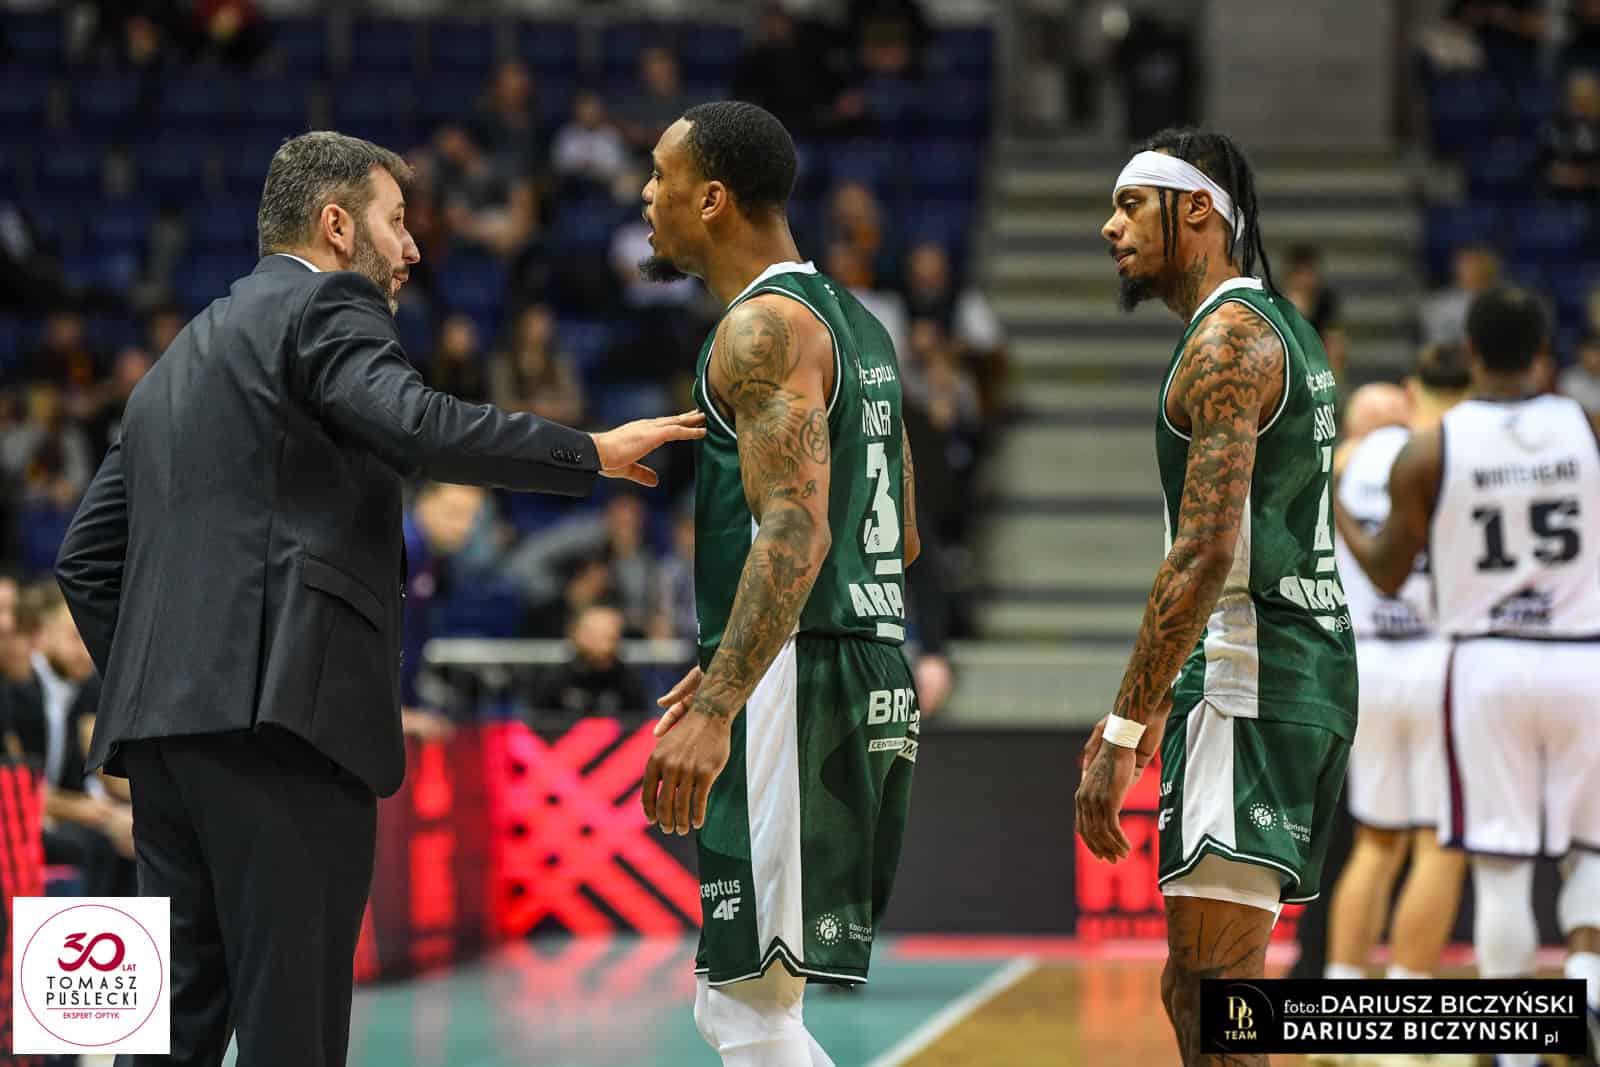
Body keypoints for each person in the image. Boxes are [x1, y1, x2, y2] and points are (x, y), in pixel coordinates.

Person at [53, 130, 704, 1067]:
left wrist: (161, 684)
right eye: (396, 221)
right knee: (294, 1034)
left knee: (163, 1036)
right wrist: (588, 451)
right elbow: (415, 424)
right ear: (335, 225)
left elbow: (84, 558)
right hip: (282, 728)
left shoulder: (171, 365)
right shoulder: (326, 304)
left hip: (162, 743)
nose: (413, 248)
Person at [636, 101, 922, 1067]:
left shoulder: (761, 327)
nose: (647, 194)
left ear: (712, 198)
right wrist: (737, 656)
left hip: (801, 679)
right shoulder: (859, 324)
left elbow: (797, 529)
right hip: (861, 663)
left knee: (747, 1008)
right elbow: (902, 536)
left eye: (661, 175)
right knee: (748, 1002)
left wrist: (725, 699)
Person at [1077, 129, 1357, 1067]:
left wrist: (1126, 725)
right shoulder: (1280, 325)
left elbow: (1203, 552)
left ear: (1196, 208)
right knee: (1194, 990)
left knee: (1217, 998)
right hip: (1276, 668)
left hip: (1253, 674)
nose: (1109, 226)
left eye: (1130, 204)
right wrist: (1161, 699)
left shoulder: (1229, 339)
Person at [1337, 287, 1600, 1067]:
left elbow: (1386, 573)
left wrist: (1338, 508)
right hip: (1582, 653)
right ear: (1545, 354)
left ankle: (1516, 1050)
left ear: (1475, 351)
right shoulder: (1587, 428)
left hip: (1483, 663)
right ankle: (1586, 980)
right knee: (1590, 850)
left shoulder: (1431, 449)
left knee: (1499, 865)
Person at [1324, 346, 1473, 991]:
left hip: (1369, 662)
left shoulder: (1345, 462)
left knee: (1375, 842)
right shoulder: (1446, 454)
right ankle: (1409, 1001)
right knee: (1440, 845)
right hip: (1439, 659)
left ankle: (1341, 987)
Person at [529, 601, 649, 718]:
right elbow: (538, 723)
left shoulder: (629, 682)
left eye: (611, 635)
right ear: (575, 634)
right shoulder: (555, 680)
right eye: (597, 634)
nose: (606, 643)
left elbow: (639, 723)